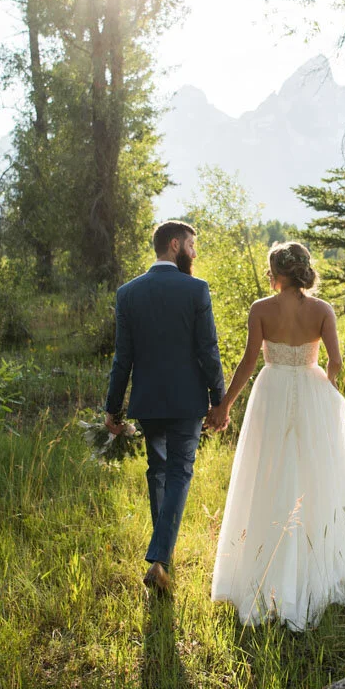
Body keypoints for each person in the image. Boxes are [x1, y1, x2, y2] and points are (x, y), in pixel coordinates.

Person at [210, 241, 345, 630]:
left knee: (267, 471)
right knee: (313, 475)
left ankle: (264, 566)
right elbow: (335, 361)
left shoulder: (261, 309)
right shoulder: (322, 310)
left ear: (276, 273)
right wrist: (328, 387)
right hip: (310, 390)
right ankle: (311, 563)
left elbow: (249, 361)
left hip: (270, 391)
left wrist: (225, 405)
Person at [105, 220, 230, 597]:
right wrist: (219, 399)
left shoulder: (128, 293)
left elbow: (122, 358)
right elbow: (208, 349)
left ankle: (162, 561)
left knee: (158, 470)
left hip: (148, 401)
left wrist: (113, 407)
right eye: (191, 245)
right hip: (186, 400)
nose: (194, 252)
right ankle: (160, 558)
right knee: (179, 472)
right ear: (174, 245)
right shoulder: (196, 289)